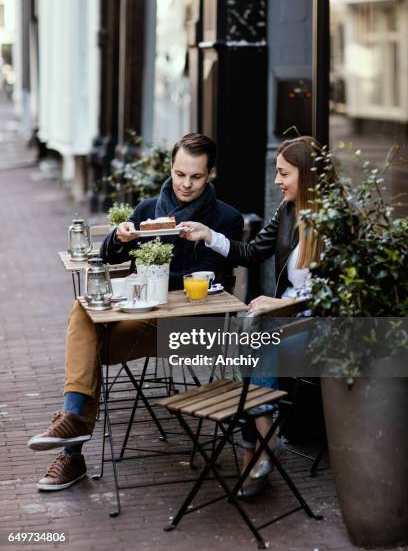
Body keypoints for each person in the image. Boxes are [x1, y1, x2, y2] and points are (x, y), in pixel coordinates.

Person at [27, 133, 243, 491]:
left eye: (196, 176)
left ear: (211, 174)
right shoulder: (147, 209)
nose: (186, 184)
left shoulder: (225, 219)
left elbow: (211, 277)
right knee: (82, 312)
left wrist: (148, 276)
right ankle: (72, 422)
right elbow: (109, 259)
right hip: (140, 321)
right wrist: (119, 238)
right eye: (179, 174)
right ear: (170, 169)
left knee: (84, 352)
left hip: (185, 330)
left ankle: (72, 445)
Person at [179, 135, 327, 498]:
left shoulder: (334, 222)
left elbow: (331, 297)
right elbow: (249, 252)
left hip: (319, 326)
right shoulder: (288, 211)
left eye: (283, 173)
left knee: (255, 338)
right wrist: (208, 235)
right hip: (284, 324)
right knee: (254, 338)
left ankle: (258, 451)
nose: (276, 180)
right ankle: (265, 441)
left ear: (306, 176)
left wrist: (279, 306)